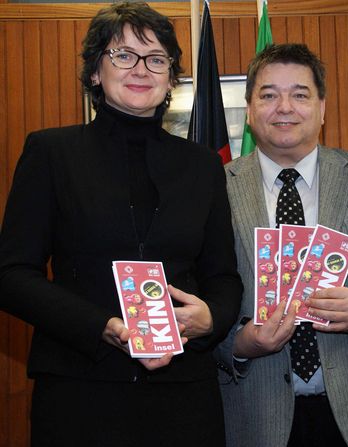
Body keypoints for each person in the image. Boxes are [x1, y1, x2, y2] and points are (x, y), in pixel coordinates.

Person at [0, 3, 242, 446]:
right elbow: (12, 275)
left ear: (171, 76)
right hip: (81, 391)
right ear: (95, 71)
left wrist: (212, 317)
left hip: (184, 396)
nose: (141, 69)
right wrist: (101, 326)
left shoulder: (203, 165)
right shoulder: (51, 154)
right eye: (123, 55)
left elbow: (223, 276)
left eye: (156, 59)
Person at [214, 43, 348, 447]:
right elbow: (201, 291)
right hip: (254, 415)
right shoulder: (214, 189)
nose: (284, 107)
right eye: (269, 95)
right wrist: (238, 344)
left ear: (322, 108)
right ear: (250, 108)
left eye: (300, 94)